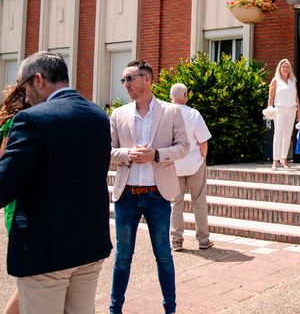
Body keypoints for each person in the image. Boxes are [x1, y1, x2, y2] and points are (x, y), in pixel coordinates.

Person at [0, 52, 112, 314]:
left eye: (23, 87)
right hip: (89, 245)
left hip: (45, 251)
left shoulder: (31, 119)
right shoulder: (98, 115)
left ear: (38, 79)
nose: (25, 97)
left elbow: (4, 185)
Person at [110, 60, 189, 314]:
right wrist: (127, 154)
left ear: (147, 79)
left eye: (129, 79)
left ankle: (170, 309)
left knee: (164, 256)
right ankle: (115, 309)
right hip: (126, 196)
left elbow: (184, 147)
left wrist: (156, 154)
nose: (125, 85)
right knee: (122, 258)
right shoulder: (118, 114)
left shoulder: (171, 112)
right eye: (124, 80)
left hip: (157, 195)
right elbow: (107, 151)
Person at [168, 83, 213, 252]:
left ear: (170, 96)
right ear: (185, 95)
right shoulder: (194, 114)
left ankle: (176, 240)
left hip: (173, 164)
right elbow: (203, 141)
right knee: (199, 202)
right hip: (194, 163)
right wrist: (203, 158)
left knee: (175, 204)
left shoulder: (166, 114)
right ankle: (203, 239)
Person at [0, 84, 29, 314]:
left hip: (15, 199)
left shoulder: (9, 121)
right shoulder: (20, 122)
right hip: (19, 200)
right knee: (28, 279)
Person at [267, 59, 300, 170]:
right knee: (278, 134)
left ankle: (284, 159)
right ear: (279, 69)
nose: (285, 69)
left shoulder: (292, 81)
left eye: (287, 67)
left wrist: (298, 111)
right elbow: (271, 97)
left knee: (287, 135)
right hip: (279, 109)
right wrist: (270, 108)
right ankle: (275, 161)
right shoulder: (275, 80)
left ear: (289, 69)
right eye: (283, 67)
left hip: (291, 109)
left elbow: (296, 97)